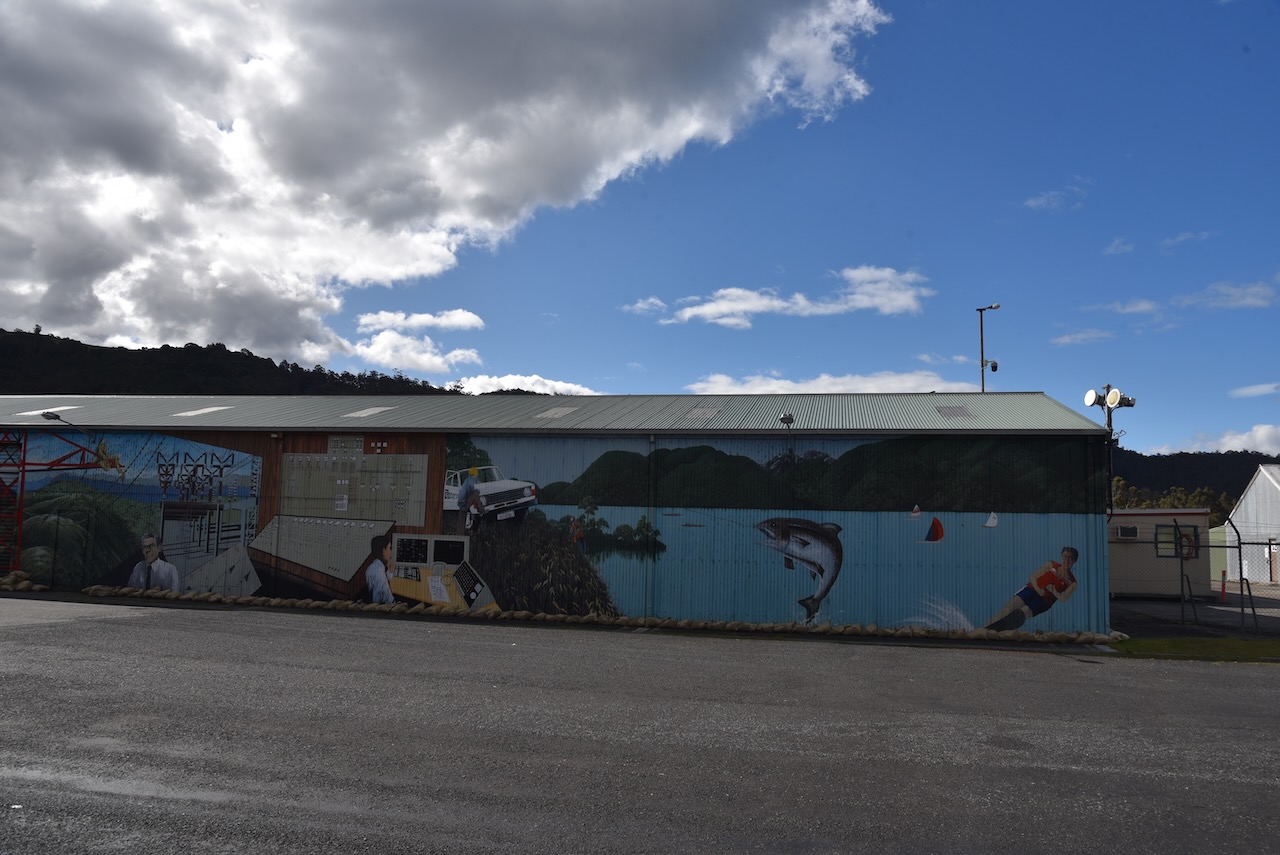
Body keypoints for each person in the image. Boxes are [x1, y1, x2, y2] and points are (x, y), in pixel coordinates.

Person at [984, 547, 1079, 631]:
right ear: (1062, 557)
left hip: (1044, 601)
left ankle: (995, 632)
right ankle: (983, 629)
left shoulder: (1072, 582)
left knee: (1020, 615)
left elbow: (1063, 598)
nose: (1067, 561)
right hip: (1031, 590)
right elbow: (1033, 577)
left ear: (1074, 561)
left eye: (1070, 558)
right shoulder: (1051, 564)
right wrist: (1038, 589)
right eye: (1065, 557)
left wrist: (1053, 590)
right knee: (1006, 610)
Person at [365, 534, 396, 604]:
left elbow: (385, 581)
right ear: (383, 551)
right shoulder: (379, 572)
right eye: (390, 548)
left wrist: (390, 572)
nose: (391, 552)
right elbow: (377, 599)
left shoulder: (374, 566)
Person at [456, 466, 481, 534]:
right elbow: (472, 490)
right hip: (463, 502)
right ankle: (481, 509)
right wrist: (477, 491)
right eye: (476, 474)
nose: (476, 476)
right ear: (474, 474)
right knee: (476, 495)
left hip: (461, 502)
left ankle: (460, 533)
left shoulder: (467, 480)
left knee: (461, 520)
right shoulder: (470, 481)